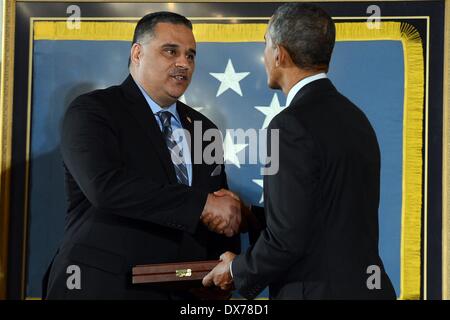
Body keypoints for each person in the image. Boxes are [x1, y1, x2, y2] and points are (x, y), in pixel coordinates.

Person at [202, 3, 396, 300]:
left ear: (279, 54)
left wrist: (234, 271)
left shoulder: (289, 124)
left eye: (265, 43)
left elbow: (288, 240)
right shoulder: (356, 118)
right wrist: (250, 216)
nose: (264, 53)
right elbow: (323, 216)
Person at [43, 11, 242, 299]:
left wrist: (226, 263)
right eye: (171, 51)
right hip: (103, 288)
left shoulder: (203, 128)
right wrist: (201, 204)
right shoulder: (94, 110)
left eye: (191, 55)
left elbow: (218, 209)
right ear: (137, 53)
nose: (183, 63)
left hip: (183, 292)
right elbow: (106, 187)